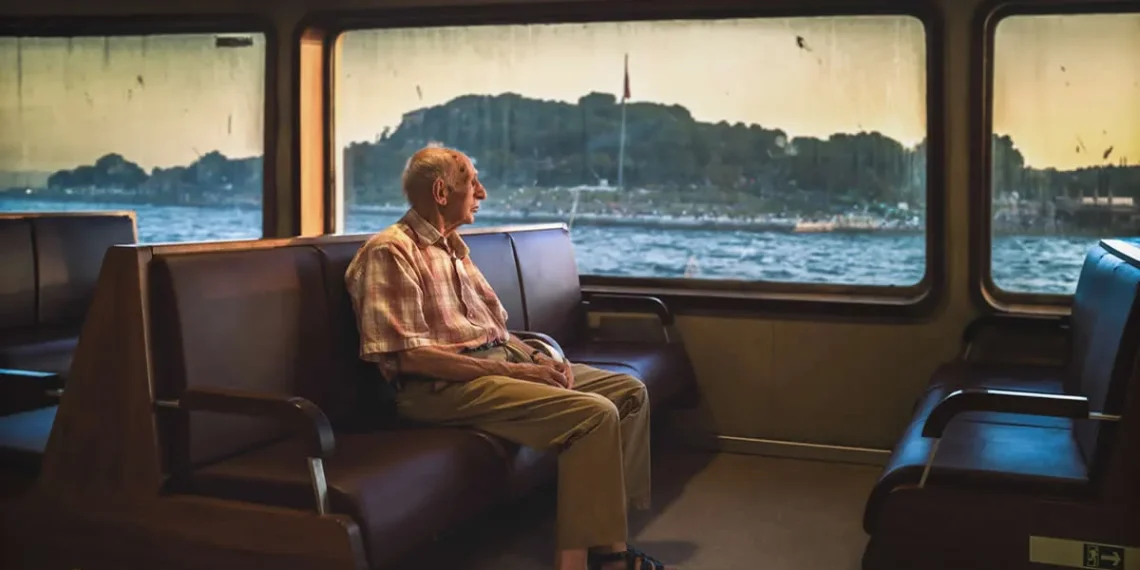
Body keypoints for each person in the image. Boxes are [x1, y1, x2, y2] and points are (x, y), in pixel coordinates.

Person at [345, 143, 677, 570]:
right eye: (473, 183)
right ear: (442, 192)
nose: (481, 193)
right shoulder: (390, 252)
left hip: (493, 365)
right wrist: (509, 368)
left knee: (628, 392)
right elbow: (411, 359)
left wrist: (536, 361)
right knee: (593, 413)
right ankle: (578, 561)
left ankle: (608, 544)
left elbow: (495, 332)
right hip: (440, 387)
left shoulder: (453, 249)